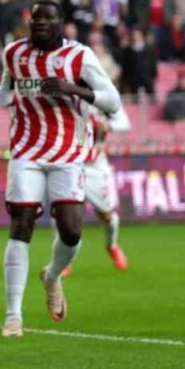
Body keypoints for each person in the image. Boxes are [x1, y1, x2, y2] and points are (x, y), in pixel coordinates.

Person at [0, 0, 121, 339]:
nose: (41, 23)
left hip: (67, 152)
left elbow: (113, 100)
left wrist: (72, 88)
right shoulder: (14, 53)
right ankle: (13, 316)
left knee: (71, 231)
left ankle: (52, 275)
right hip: (26, 151)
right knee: (21, 224)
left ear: (60, 23)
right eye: (36, 18)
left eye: (48, 18)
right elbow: (7, 90)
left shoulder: (79, 56)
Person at [62, 109, 131, 278]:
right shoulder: (69, 99)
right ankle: (64, 260)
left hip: (96, 167)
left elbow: (125, 123)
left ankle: (111, 245)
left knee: (106, 215)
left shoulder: (104, 99)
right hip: (71, 165)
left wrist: (108, 125)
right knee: (65, 215)